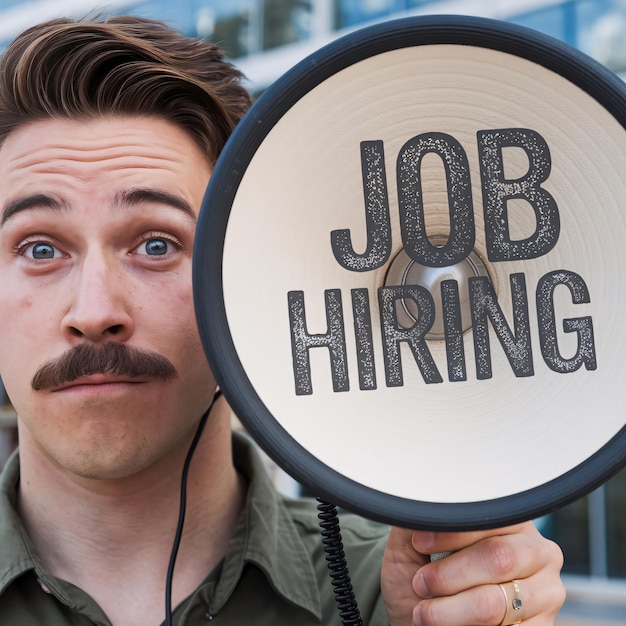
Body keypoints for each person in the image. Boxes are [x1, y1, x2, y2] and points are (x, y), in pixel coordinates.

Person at [0, 15, 565, 626]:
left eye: (157, 244)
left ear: (250, 275)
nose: (94, 313)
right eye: (39, 249)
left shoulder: (406, 596)